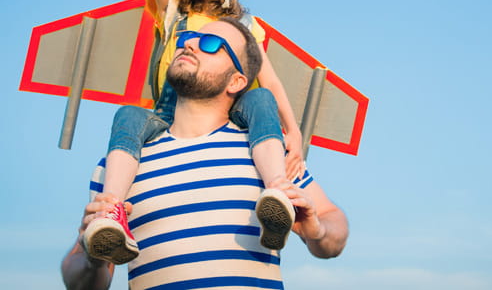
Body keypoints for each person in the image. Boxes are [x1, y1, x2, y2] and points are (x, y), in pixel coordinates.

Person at [81, 0, 304, 265]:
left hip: (226, 112)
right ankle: (111, 210)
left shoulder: (246, 29)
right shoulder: (173, 11)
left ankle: (277, 196)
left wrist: (294, 134)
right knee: (128, 116)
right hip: (170, 115)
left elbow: (269, 83)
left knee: (259, 100)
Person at [61, 17, 349, 290]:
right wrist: (91, 258)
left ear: (236, 81)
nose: (190, 44)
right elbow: (81, 281)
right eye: (188, 37)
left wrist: (318, 232)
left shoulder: (268, 152)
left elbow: (332, 224)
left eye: (211, 43)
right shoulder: (115, 167)